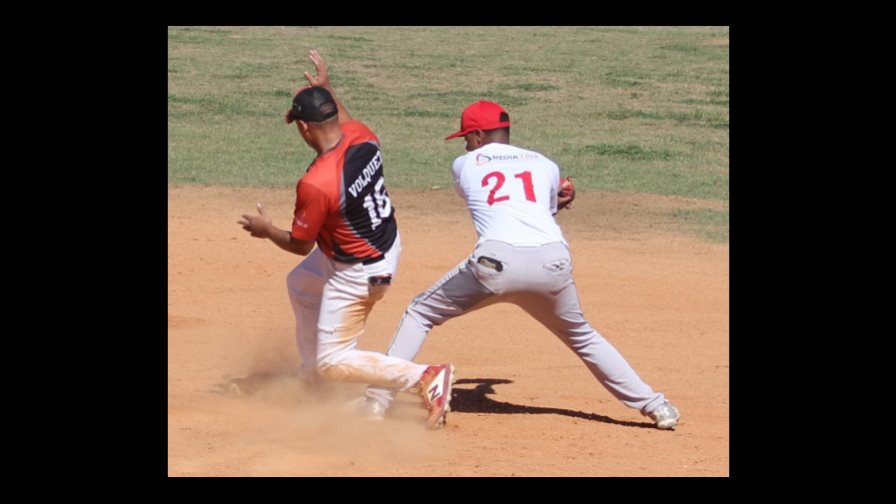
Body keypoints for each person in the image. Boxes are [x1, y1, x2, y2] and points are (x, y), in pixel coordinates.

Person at [363, 100, 680, 430]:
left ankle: (377, 401)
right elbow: (540, 208)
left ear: (479, 135)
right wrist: (558, 200)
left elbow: (491, 199)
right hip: (552, 262)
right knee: (583, 337)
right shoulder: (546, 164)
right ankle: (658, 407)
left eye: (467, 137)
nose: (466, 144)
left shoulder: (466, 163)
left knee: (420, 312)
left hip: (495, 264)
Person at [238, 50, 455, 430]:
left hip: (359, 271)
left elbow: (301, 244)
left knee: (334, 361)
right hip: (382, 242)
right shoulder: (362, 135)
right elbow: (345, 117)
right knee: (302, 285)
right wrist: (327, 88)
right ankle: (313, 381)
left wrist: (266, 229)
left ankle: (424, 375)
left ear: (304, 128)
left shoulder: (317, 183)